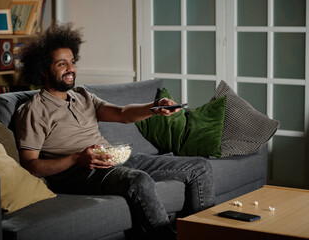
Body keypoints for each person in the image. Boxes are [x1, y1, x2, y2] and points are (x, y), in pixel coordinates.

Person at [15, 23, 215, 239]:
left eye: (72, 62)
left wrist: (155, 107)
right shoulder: (33, 110)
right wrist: (76, 158)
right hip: (80, 173)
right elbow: (30, 166)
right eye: (61, 64)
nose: (70, 69)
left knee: (200, 167)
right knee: (138, 181)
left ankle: (201, 233)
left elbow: (122, 114)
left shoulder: (82, 95)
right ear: (43, 70)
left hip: (115, 159)